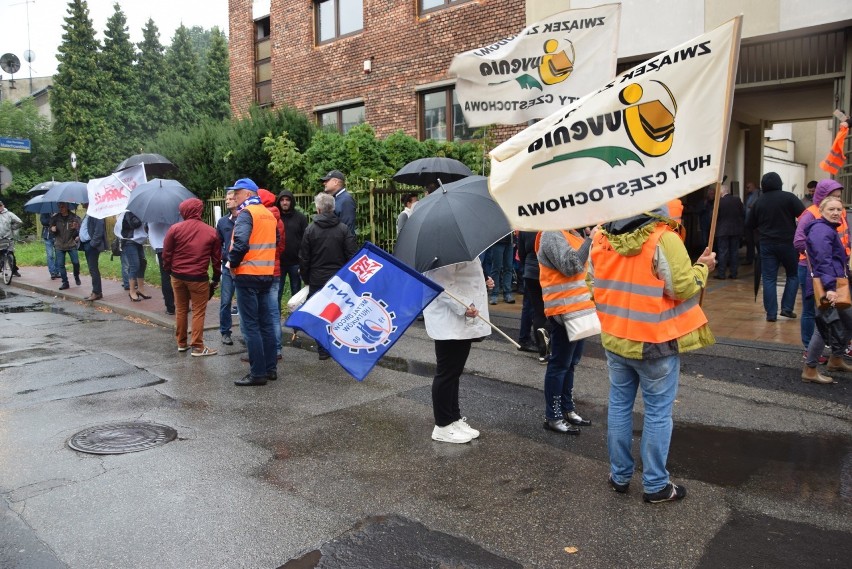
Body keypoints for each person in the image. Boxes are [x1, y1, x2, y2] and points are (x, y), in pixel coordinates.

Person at [590, 210, 716, 503]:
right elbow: (683, 287)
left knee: (619, 406)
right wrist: (703, 268)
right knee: (658, 413)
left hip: (615, 338)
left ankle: (620, 476)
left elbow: (592, 285)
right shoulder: (663, 238)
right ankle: (656, 485)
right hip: (654, 342)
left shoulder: (600, 237)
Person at [423, 259, 495, 444]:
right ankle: (443, 425)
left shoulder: (455, 245)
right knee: (447, 373)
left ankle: (454, 418)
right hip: (449, 320)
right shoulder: (442, 250)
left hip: (459, 319)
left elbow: (464, 275)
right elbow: (440, 283)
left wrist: (484, 279)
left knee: (454, 373)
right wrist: (464, 305)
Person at [537, 227, 597, 434]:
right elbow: (571, 266)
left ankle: (567, 409)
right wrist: (590, 240)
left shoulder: (572, 233)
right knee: (560, 364)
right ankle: (552, 416)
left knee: (571, 363)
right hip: (563, 310)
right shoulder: (552, 233)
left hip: (579, 308)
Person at [228, 178, 279, 386]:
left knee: (251, 326)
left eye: (237, 193)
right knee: (266, 324)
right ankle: (270, 369)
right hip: (266, 274)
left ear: (248, 194)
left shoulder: (246, 214)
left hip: (247, 275)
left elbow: (240, 242)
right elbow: (277, 242)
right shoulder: (268, 214)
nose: (234, 197)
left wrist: (232, 263)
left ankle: (257, 373)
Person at [298, 192, 358, 360]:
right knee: (340, 312)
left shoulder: (310, 229)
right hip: (339, 278)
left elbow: (304, 258)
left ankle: (323, 349)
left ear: (318, 209)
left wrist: (306, 278)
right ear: (333, 208)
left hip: (317, 278)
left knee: (320, 313)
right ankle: (340, 345)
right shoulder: (343, 229)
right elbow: (352, 254)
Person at [802, 195, 852, 384]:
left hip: (834, 285)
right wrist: (830, 288)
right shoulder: (822, 231)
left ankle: (836, 359)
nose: (836, 213)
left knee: (845, 322)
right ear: (821, 211)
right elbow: (823, 261)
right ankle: (810, 369)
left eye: (839, 209)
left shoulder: (827, 229)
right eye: (831, 209)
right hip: (827, 287)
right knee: (822, 327)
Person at [162, 198, 221, 357]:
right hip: (198, 277)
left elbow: (167, 253)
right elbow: (216, 259)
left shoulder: (175, 229)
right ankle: (198, 346)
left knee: (180, 309)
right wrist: (216, 278)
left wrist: (169, 270)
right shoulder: (211, 232)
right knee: (198, 311)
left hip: (177, 275)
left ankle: (181, 343)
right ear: (199, 211)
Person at [794, 179, 847, 354]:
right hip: (813, 270)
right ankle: (809, 350)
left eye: (839, 197)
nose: (836, 202)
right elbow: (799, 241)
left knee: (835, 312)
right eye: (832, 196)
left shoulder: (839, 211)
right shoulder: (810, 213)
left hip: (833, 270)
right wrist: (819, 252)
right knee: (813, 312)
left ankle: (835, 353)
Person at [744, 172, 805, 322]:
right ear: (780, 183)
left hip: (767, 244)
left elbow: (749, 224)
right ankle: (787, 308)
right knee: (793, 274)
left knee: (769, 278)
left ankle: (771, 314)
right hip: (788, 243)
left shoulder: (759, 202)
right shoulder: (789, 197)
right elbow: (804, 216)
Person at [258, 189, 287, 359]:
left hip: (261, 270)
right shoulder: (279, 219)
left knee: (261, 311)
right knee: (274, 311)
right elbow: (281, 246)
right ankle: (277, 349)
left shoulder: (260, 217)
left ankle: (264, 348)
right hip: (275, 269)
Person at [516, 230, 547, 361]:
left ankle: (526, 339)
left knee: (530, 307)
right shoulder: (549, 225)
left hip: (529, 270)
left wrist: (527, 266)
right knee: (543, 310)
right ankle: (543, 344)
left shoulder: (525, 226)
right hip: (544, 271)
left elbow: (521, 253)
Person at [217, 190, 239, 346]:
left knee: (244, 303)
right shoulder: (223, 222)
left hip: (242, 267)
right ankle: (225, 332)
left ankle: (247, 332)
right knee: (225, 301)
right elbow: (217, 243)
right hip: (226, 267)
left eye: (231, 198)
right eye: (226, 199)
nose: (227, 201)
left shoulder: (247, 219)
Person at [277, 189, 308, 300]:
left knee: (296, 294)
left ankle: (295, 317)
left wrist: (303, 260)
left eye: (287, 200)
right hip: (279, 262)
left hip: (296, 262)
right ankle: (276, 317)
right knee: (277, 293)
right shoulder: (275, 218)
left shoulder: (301, 218)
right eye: (282, 200)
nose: (285, 202)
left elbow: (306, 240)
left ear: (292, 201)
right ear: (279, 202)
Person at [713, 185, 744, 280]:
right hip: (735, 230)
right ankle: (734, 273)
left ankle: (722, 274)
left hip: (722, 230)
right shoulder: (737, 200)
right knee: (734, 252)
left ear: (721, 192)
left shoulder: (719, 202)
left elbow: (714, 216)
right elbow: (742, 213)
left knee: (723, 252)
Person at [119, 210, 150, 301]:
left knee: (142, 264)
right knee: (134, 266)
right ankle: (132, 291)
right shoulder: (128, 212)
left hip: (138, 241)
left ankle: (141, 289)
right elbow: (135, 223)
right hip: (129, 241)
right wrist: (144, 217)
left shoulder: (136, 212)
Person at [50, 202, 82, 290]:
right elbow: (51, 231)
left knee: (75, 262)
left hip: (71, 243)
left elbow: (81, 228)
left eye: (63, 206)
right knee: (61, 265)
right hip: (59, 244)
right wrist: (53, 230)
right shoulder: (55, 218)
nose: (61, 208)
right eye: (59, 206)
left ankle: (76, 275)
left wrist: (77, 229)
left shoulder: (74, 217)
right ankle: (65, 282)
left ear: (67, 206)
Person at [78, 209, 108, 301]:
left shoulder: (96, 213)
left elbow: (99, 230)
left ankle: (97, 292)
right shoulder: (88, 214)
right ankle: (96, 291)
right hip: (87, 244)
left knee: (93, 268)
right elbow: (87, 228)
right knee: (92, 269)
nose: (82, 204)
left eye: (84, 202)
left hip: (91, 245)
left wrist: (93, 244)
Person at [148, 221, 177, 315]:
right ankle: (182, 304)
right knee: (179, 275)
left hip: (160, 247)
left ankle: (170, 307)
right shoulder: (173, 212)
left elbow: (146, 229)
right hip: (175, 246)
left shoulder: (151, 216)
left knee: (165, 277)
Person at [321, 169, 356, 236]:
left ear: (335, 182)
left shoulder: (346, 200)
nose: (324, 183)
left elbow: (347, 228)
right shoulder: (337, 198)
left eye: (327, 180)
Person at [488, 233, 515, 304]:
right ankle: (494, 294)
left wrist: (514, 240)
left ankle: (507, 293)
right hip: (497, 241)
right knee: (496, 268)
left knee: (508, 268)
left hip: (509, 241)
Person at [0, 200, 22, 277]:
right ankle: (2, 268)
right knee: (1, 254)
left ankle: (14, 270)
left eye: (0, 206)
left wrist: (13, 227)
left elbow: (19, 222)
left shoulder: (9, 214)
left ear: (3, 206)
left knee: (10, 253)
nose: (0, 208)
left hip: (8, 237)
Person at [39, 211, 60, 279]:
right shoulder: (44, 212)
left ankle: (57, 271)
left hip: (57, 236)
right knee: (50, 255)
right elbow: (43, 222)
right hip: (48, 236)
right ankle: (52, 272)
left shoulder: (58, 211)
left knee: (58, 254)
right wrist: (52, 218)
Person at [742, 181, 759, 265]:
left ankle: (758, 258)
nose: (747, 189)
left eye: (748, 187)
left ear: (753, 186)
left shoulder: (759, 194)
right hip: (748, 222)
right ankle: (749, 258)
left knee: (756, 241)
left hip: (755, 223)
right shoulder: (748, 196)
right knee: (749, 242)